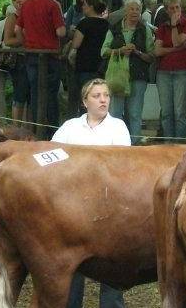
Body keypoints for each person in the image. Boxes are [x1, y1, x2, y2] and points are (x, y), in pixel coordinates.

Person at [52, 78, 129, 308]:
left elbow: (122, 164)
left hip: (108, 204)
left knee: (111, 262)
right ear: (85, 101)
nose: (103, 100)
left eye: (106, 95)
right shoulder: (69, 127)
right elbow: (52, 156)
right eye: (97, 96)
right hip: (73, 206)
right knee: (72, 261)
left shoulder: (118, 127)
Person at [16, 0, 67, 136]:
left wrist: (25, 44)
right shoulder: (54, 5)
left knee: (35, 92)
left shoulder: (26, 4)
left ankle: (36, 131)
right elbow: (60, 31)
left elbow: (18, 30)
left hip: (31, 54)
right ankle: (52, 132)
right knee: (51, 94)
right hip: (50, 55)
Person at [101, 0, 153, 142]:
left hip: (137, 76)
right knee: (115, 112)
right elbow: (103, 51)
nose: (134, 12)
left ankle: (134, 144)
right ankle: (115, 144)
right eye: (131, 8)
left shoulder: (145, 30)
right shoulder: (114, 28)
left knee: (135, 114)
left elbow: (151, 55)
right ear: (125, 11)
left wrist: (138, 52)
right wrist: (120, 50)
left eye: (137, 9)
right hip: (117, 76)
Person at [154, 0, 186, 141]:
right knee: (166, 111)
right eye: (171, 8)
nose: (175, 11)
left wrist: (174, 26)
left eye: (177, 7)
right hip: (164, 72)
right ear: (166, 10)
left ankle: (179, 145)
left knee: (180, 112)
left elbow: (176, 41)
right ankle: (168, 144)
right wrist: (176, 49)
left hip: (183, 72)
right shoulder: (162, 27)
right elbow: (157, 51)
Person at [2, 0, 30, 126]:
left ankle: (28, 127)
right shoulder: (13, 17)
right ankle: (16, 127)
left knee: (30, 94)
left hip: (31, 58)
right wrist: (25, 40)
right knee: (20, 93)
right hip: (18, 59)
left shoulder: (31, 14)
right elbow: (7, 41)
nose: (18, 1)